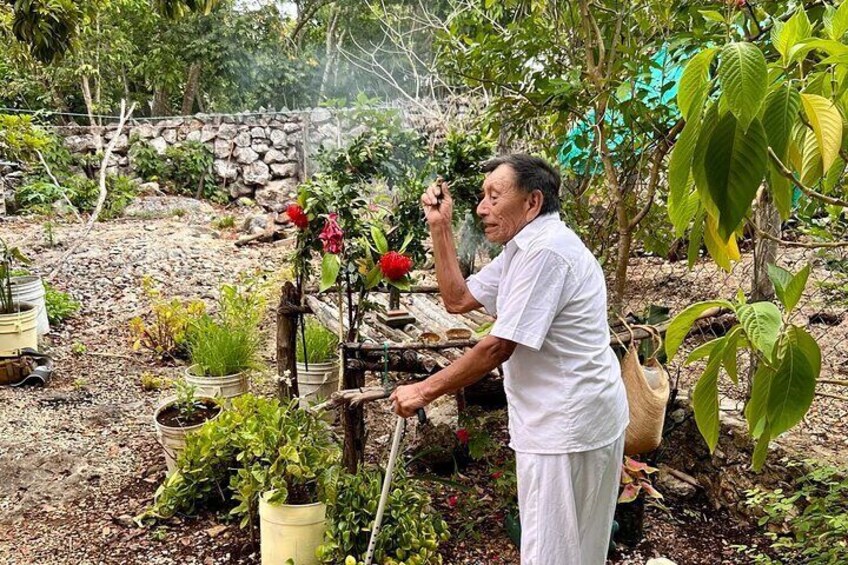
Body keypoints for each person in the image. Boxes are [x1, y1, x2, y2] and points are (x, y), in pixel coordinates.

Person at [390, 154, 629, 565]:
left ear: (532, 202)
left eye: (494, 196)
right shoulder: (525, 248)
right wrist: (440, 227)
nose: (482, 208)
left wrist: (423, 390)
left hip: (566, 427)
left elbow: (498, 347)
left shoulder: (546, 253)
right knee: (578, 552)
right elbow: (458, 299)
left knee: (551, 554)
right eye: (483, 196)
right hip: (577, 419)